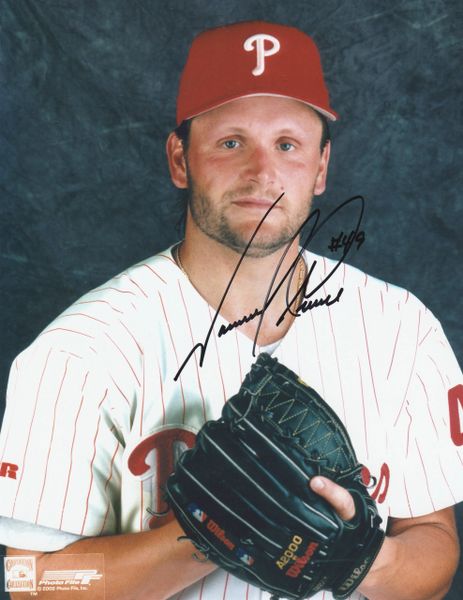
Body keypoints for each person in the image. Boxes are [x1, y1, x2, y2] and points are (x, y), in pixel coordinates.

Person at [0, 20, 462, 600]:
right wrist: (210, 533)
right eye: (230, 142)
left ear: (321, 169)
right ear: (179, 159)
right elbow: (31, 580)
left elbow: (434, 548)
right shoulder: (79, 351)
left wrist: (361, 557)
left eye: (287, 145)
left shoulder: (404, 330)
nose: (261, 172)